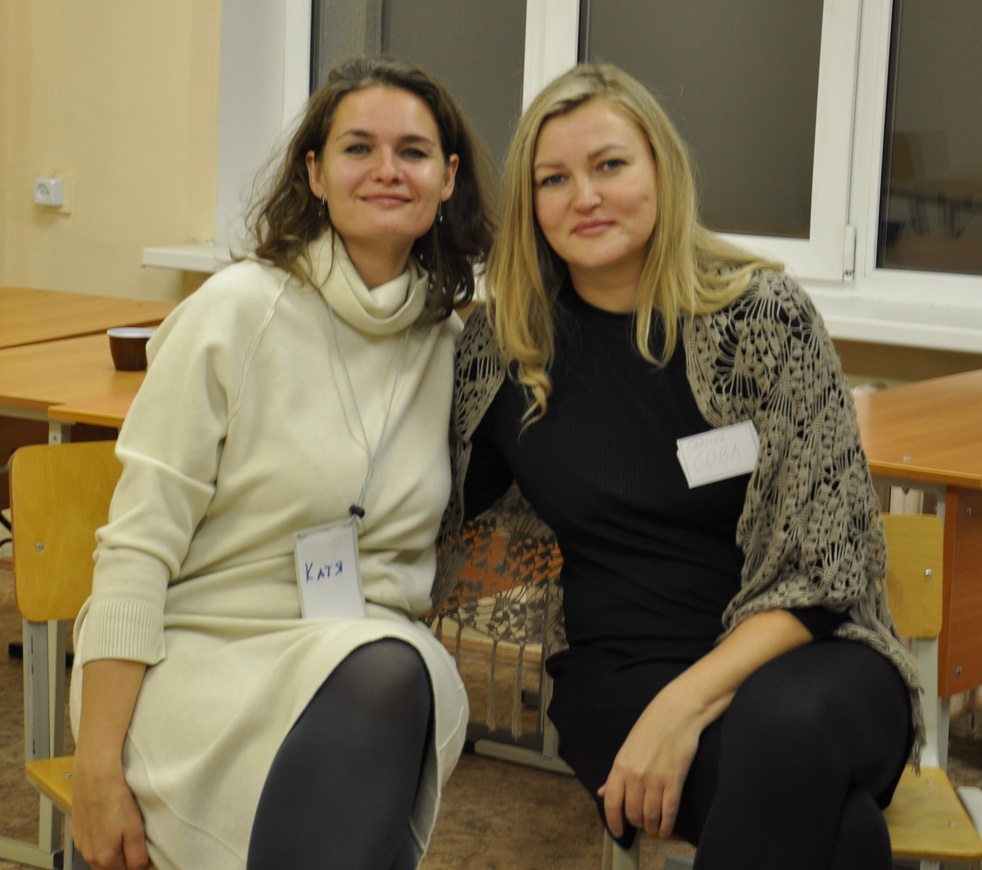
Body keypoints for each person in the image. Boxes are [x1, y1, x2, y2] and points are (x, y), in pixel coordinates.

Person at [437, 63, 921, 868]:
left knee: (786, 728)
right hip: (621, 671)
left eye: (610, 165)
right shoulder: (504, 350)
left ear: (661, 171)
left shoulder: (765, 320)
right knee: (845, 838)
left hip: (812, 658)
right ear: (529, 204)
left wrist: (682, 707)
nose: (585, 196)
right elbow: (430, 499)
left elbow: (824, 574)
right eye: (554, 179)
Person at [69, 56, 495, 870]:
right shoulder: (234, 312)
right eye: (358, 148)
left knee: (400, 673)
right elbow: (137, 547)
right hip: (200, 655)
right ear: (315, 173)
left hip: (363, 660)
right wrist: (95, 764)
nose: (386, 169)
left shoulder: (456, 349)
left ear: (447, 179)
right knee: (391, 682)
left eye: (411, 151)